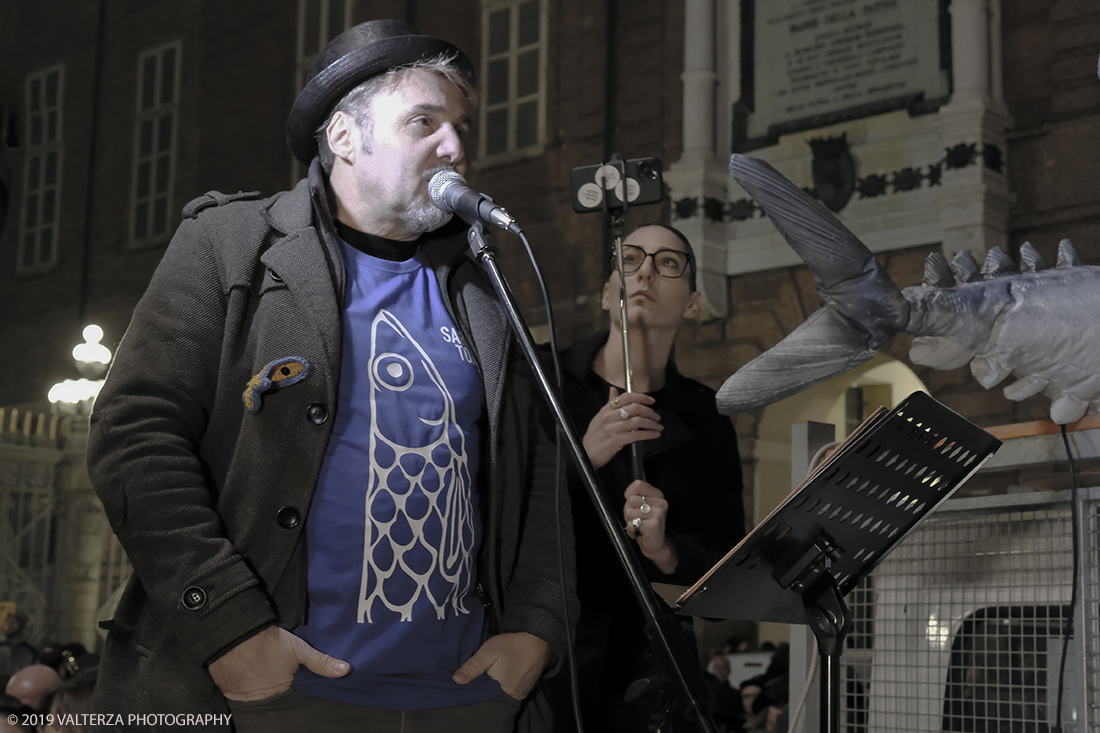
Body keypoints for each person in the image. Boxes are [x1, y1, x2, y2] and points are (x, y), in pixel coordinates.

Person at [87, 19, 574, 733]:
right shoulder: (231, 246)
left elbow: (543, 472)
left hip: (465, 699)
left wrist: (538, 625)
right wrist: (230, 630)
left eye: (461, 125)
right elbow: (134, 433)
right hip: (278, 693)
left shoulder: (481, 289)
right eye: (425, 121)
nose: (457, 147)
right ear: (344, 137)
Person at [551, 225, 746, 731]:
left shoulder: (707, 418)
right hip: (551, 661)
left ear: (692, 303)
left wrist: (667, 551)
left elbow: (726, 575)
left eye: (668, 263)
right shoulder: (541, 384)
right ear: (606, 293)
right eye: (631, 259)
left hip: (648, 683)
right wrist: (580, 461)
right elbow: (492, 515)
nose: (645, 271)